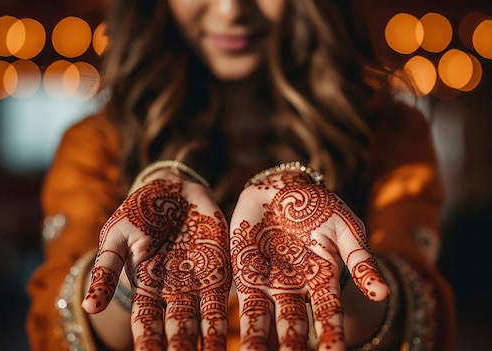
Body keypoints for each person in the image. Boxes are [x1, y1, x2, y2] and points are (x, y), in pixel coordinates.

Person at [26, 0, 456, 350]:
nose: (232, 9)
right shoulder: (97, 144)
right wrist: (132, 276)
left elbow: (418, 313)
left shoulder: (390, 134)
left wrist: (336, 272)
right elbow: (59, 320)